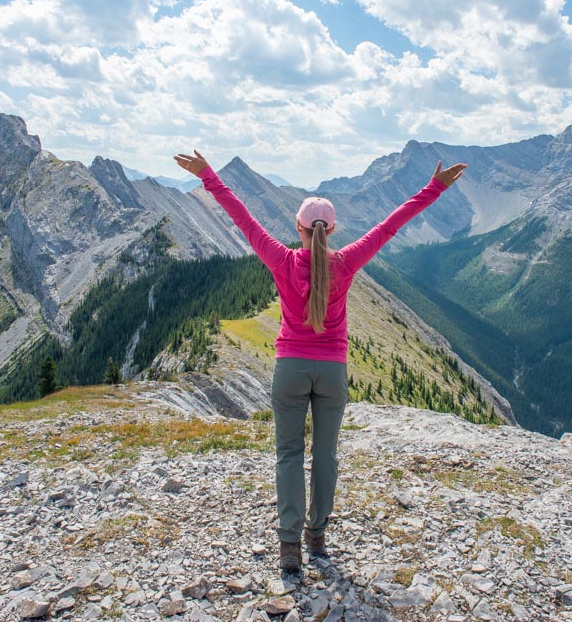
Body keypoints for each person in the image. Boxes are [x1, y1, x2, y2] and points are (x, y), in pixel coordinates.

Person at [173, 150, 466, 573]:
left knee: (288, 454)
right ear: (334, 229)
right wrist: (434, 188)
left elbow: (242, 218)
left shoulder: (281, 258)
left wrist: (208, 177)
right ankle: (317, 536)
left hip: (289, 367)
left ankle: (289, 546)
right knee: (325, 454)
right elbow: (390, 226)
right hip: (332, 371)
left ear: (298, 228)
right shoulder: (345, 262)